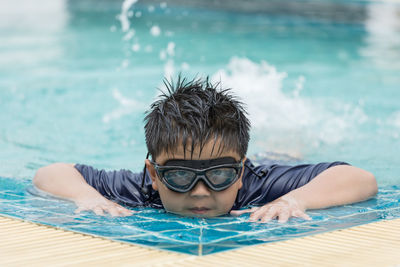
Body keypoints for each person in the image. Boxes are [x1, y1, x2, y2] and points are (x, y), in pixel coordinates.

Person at [33, 76, 378, 223]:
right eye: (181, 175)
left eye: (219, 175)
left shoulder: (257, 185)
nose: (200, 192)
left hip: (274, 163)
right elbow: (50, 174)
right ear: (154, 174)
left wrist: (294, 200)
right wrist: (87, 197)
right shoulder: (140, 189)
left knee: (287, 153)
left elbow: (360, 179)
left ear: (240, 173)